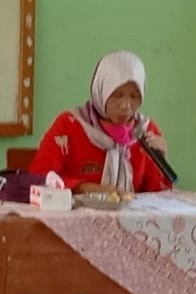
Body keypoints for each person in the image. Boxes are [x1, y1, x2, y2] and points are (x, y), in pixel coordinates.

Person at [28, 51, 173, 194]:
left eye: (134, 96)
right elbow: (39, 177)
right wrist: (83, 188)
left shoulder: (146, 130)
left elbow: (159, 195)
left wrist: (161, 161)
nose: (126, 106)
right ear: (101, 91)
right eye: (117, 95)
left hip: (133, 217)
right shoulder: (70, 125)